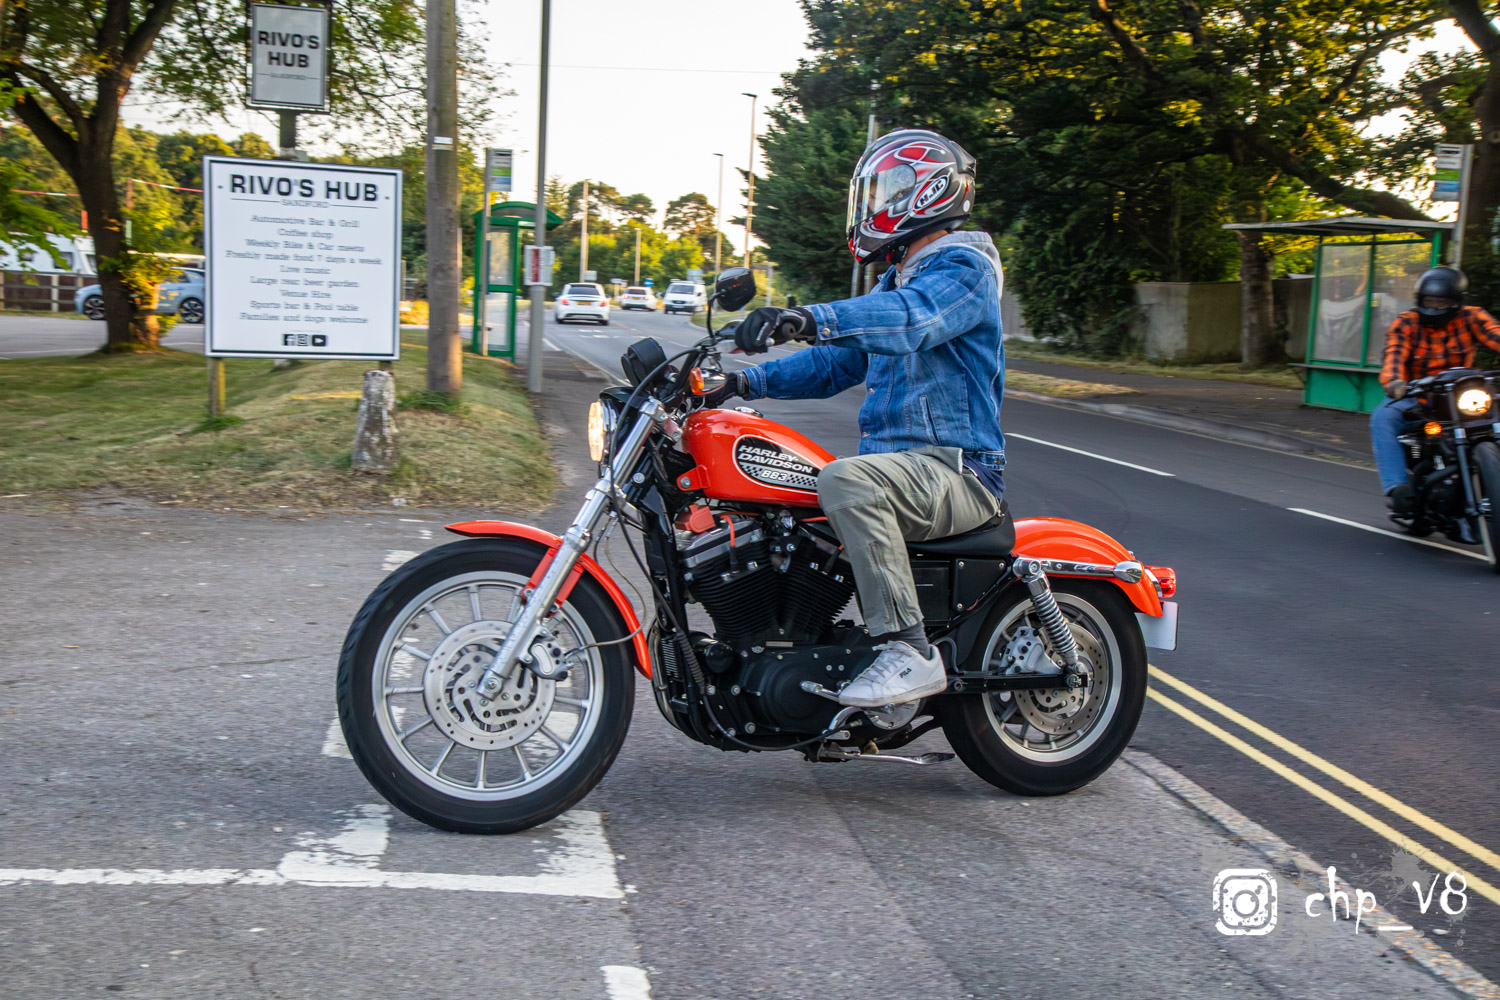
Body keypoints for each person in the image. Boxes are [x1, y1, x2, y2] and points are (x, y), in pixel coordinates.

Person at [703, 128, 1004, 709]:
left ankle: (908, 650)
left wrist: (805, 317)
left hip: (957, 471)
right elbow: (833, 365)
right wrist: (739, 383)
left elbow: (913, 319)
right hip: (906, 472)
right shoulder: (899, 279)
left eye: (886, 190)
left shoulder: (965, 269)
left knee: (846, 480)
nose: (872, 206)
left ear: (925, 191)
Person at [1373, 266, 1500, 511]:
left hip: (1462, 396)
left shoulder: (1472, 316)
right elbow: (1394, 355)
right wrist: (1395, 383)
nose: (1434, 307)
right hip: (1418, 395)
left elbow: (1495, 335)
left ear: (1457, 302)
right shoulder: (1406, 322)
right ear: (1419, 300)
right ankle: (1397, 487)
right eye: (1429, 301)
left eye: (1442, 302)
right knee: (1384, 417)